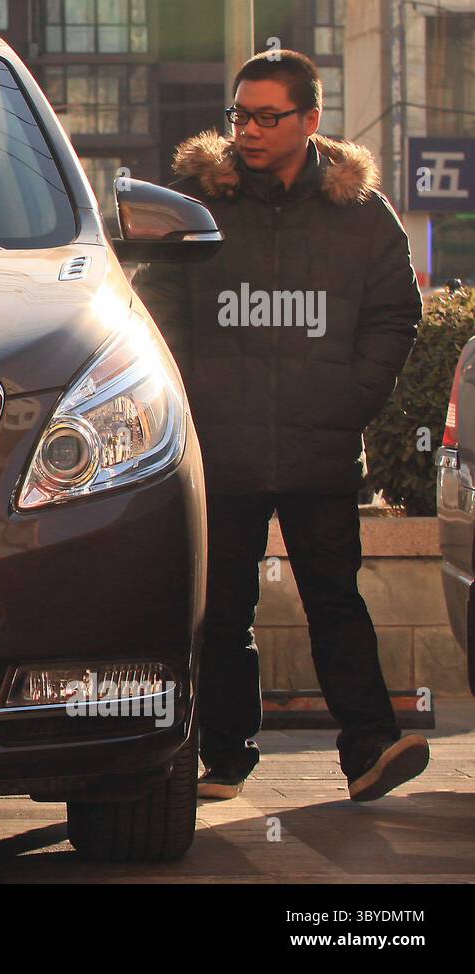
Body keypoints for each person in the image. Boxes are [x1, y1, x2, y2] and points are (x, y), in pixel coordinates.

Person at [133, 49, 430, 802]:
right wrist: (194, 403)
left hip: (320, 445)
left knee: (336, 598)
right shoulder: (195, 206)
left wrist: (350, 401)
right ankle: (224, 760)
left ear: (311, 120)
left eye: (269, 117)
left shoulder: (360, 215)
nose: (251, 131)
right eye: (242, 115)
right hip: (221, 446)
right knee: (224, 609)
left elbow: (395, 314)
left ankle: (370, 751)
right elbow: (154, 311)